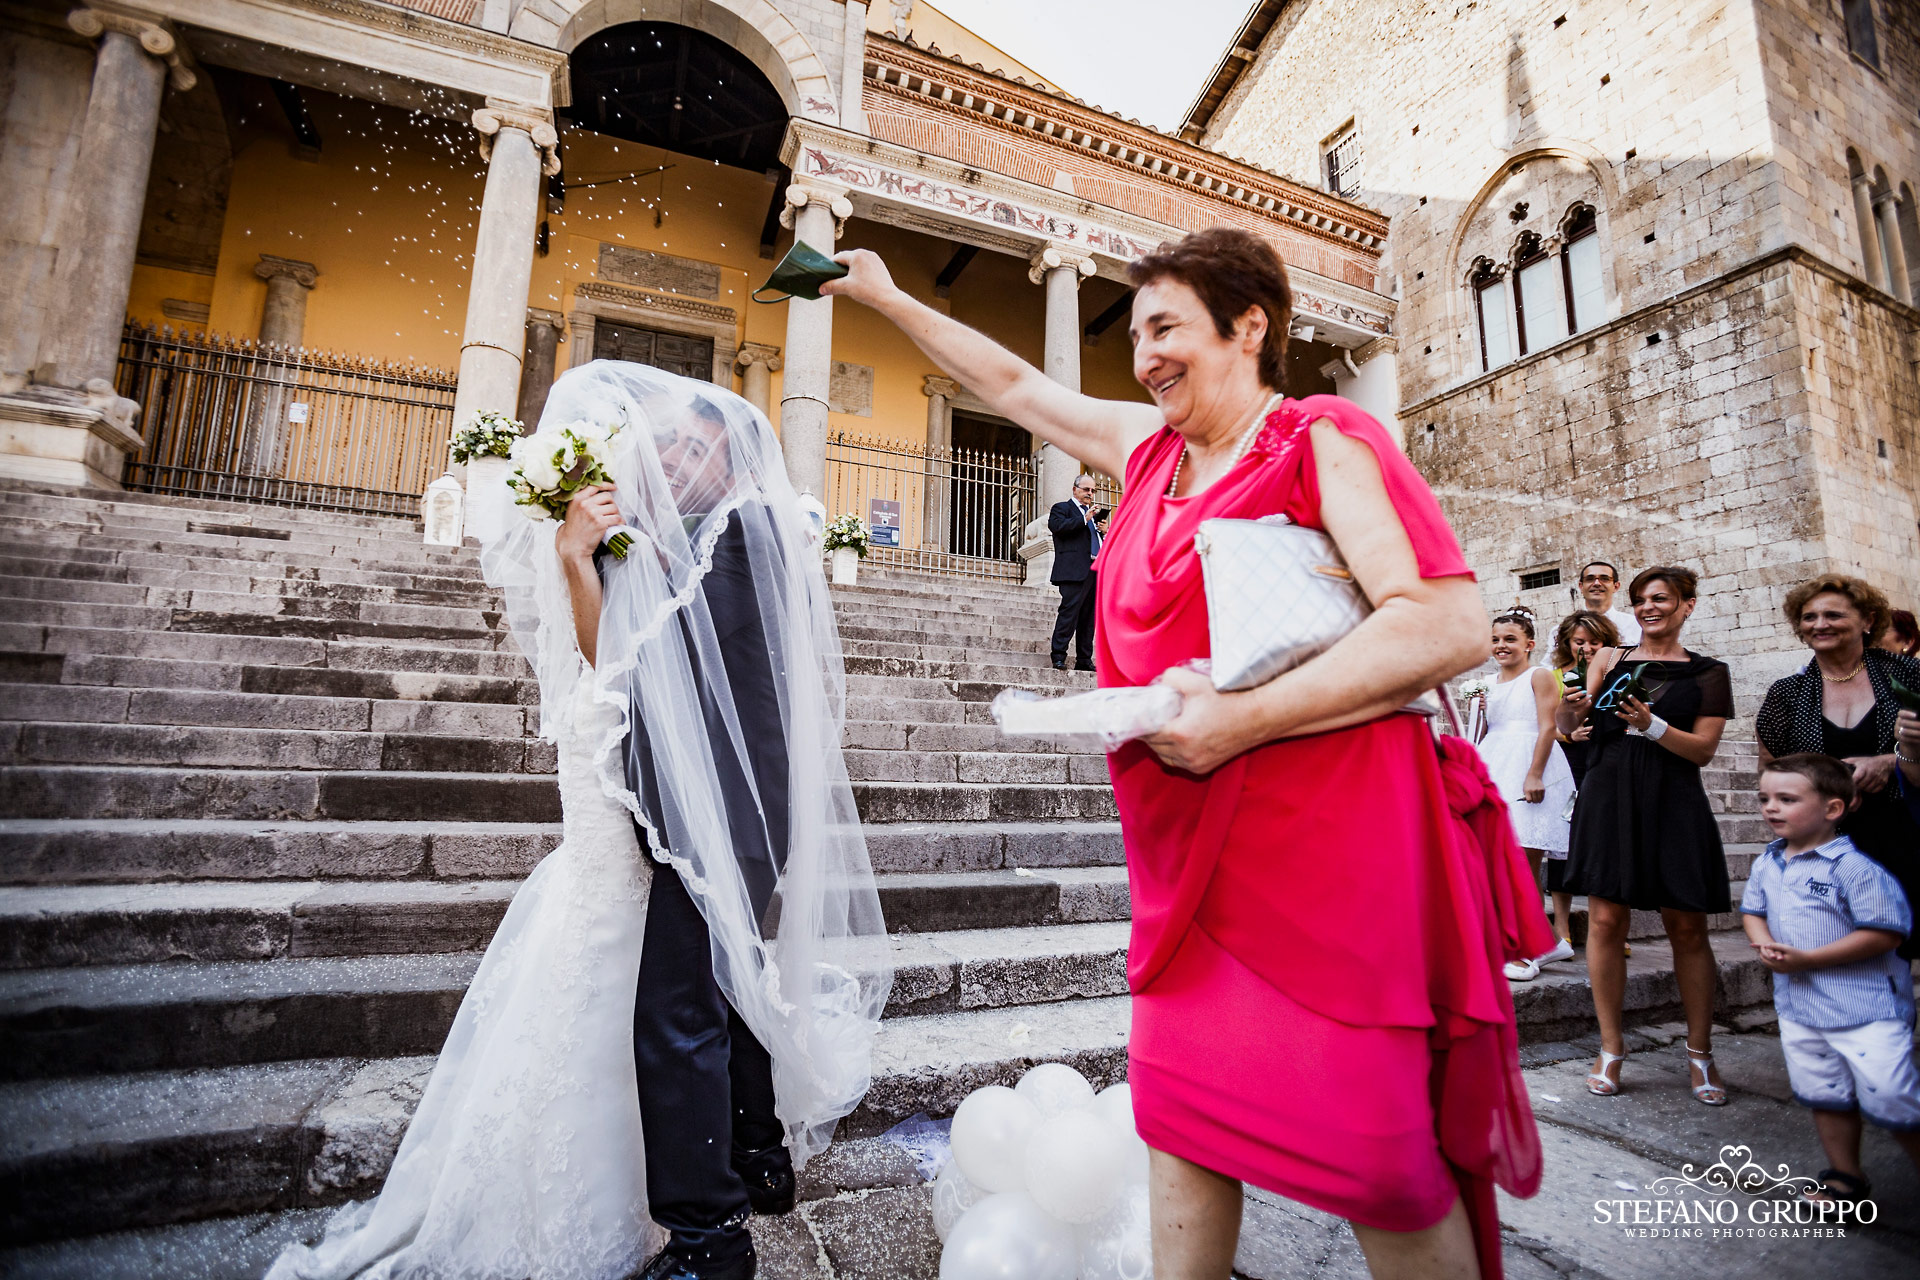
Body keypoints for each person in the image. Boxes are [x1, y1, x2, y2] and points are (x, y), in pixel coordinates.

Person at [825, 227, 1547, 1280]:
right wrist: (890, 298)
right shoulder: (1147, 450)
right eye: (1139, 332)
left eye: (1167, 327)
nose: (1146, 353)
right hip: (1182, 868)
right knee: (1184, 1120)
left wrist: (1242, 720)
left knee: (1378, 1161)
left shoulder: (1320, 440)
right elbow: (1016, 381)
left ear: (1249, 325)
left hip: (1328, 858)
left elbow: (1442, 623)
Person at [269, 364, 891, 1280]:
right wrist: (579, 556)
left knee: (677, 1010)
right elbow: (623, 666)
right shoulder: (680, 542)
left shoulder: (749, 530)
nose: (674, 455)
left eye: (696, 441)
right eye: (667, 440)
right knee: (719, 987)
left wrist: (596, 561)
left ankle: (710, 1240)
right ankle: (755, 1155)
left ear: (735, 452)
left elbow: (660, 663)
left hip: (730, 809)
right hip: (690, 806)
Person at [1556, 566, 1733, 1105]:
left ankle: (1700, 1053)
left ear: (1688, 605)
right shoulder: (1609, 658)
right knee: (1606, 919)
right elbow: (1569, 723)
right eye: (1640, 600)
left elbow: (1703, 751)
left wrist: (1650, 724)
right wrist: (1574, 708)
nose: (1649, 607)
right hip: (1610, 792)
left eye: (1661, 599)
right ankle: (1611, 1048)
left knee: (1686, 925)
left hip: (1673, 798)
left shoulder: (1709, 672)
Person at [1740, 753, 1920, 1204]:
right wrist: (1764, 944)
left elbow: (1883, 933)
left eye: (1786, 798)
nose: (1770, 807)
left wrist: (1810, 958)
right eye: (1764, 798)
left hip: (1866, 1009)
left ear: (1833, 809)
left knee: (1894, 1100)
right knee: (1825, 1093)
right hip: (1801, 1007)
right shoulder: (1769, 861)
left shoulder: (1854, 869)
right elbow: (1753, 911)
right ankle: (1845, 1179)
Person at [1755, 574, 1920, 960]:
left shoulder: (1909, 676)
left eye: (1833, 614)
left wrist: (1891, 761)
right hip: (1826, 846)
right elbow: (1770, 772)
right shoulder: (1787, 693)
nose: (1819, 624)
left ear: (1868, 620)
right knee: (1839, 962)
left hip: (1905, 835)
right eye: (1809, 617)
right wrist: (1826, 787)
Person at [1477, 607, 1577, 981]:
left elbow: (1548, 727)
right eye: (1496, 639)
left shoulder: (1538, 676)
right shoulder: (1487, 683)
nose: (1501, 646)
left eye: (1510, 640)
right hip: (1495, 765)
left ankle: (1528, 951)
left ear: (1529, 645)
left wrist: (1534, 775)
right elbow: (1483, 729)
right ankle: (1550, 943)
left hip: (1531, 769)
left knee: (1524, 864)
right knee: (1500, 862)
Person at [1545, 610, 1619, 949]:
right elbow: (1542, 725)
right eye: (1579, 642)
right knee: (1564, 841)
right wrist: (1569, 737)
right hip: (1568, 763)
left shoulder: (1617, 674)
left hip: (1606, 762)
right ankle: (1562, 924)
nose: (1587, 649)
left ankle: (1606, 926)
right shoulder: (1553, 676)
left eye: (1594, 642)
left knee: (1604, 842)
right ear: (1566, 642)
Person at [1047, 472, 1105, 670]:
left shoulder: (1093, 515)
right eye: (1086, 489)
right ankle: (1058, 655)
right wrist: (1084, 518)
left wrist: (1104, 532)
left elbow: (1095, 542)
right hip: (1073, 570)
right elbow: (1058, 527)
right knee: (1069, 613)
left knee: (1089, 618)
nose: (1090, 494)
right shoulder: (1062, 508)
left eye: (1093, 491)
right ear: (1075, 489)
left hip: (1094, 569)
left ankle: (1084, 660)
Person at [1576, 560, 1640, 647]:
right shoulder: (1560, 631)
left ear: (1616, 586)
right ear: (1581, 586)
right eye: (1590, 579)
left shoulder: (1636, 626)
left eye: (1605, 579)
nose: (1597, 583)